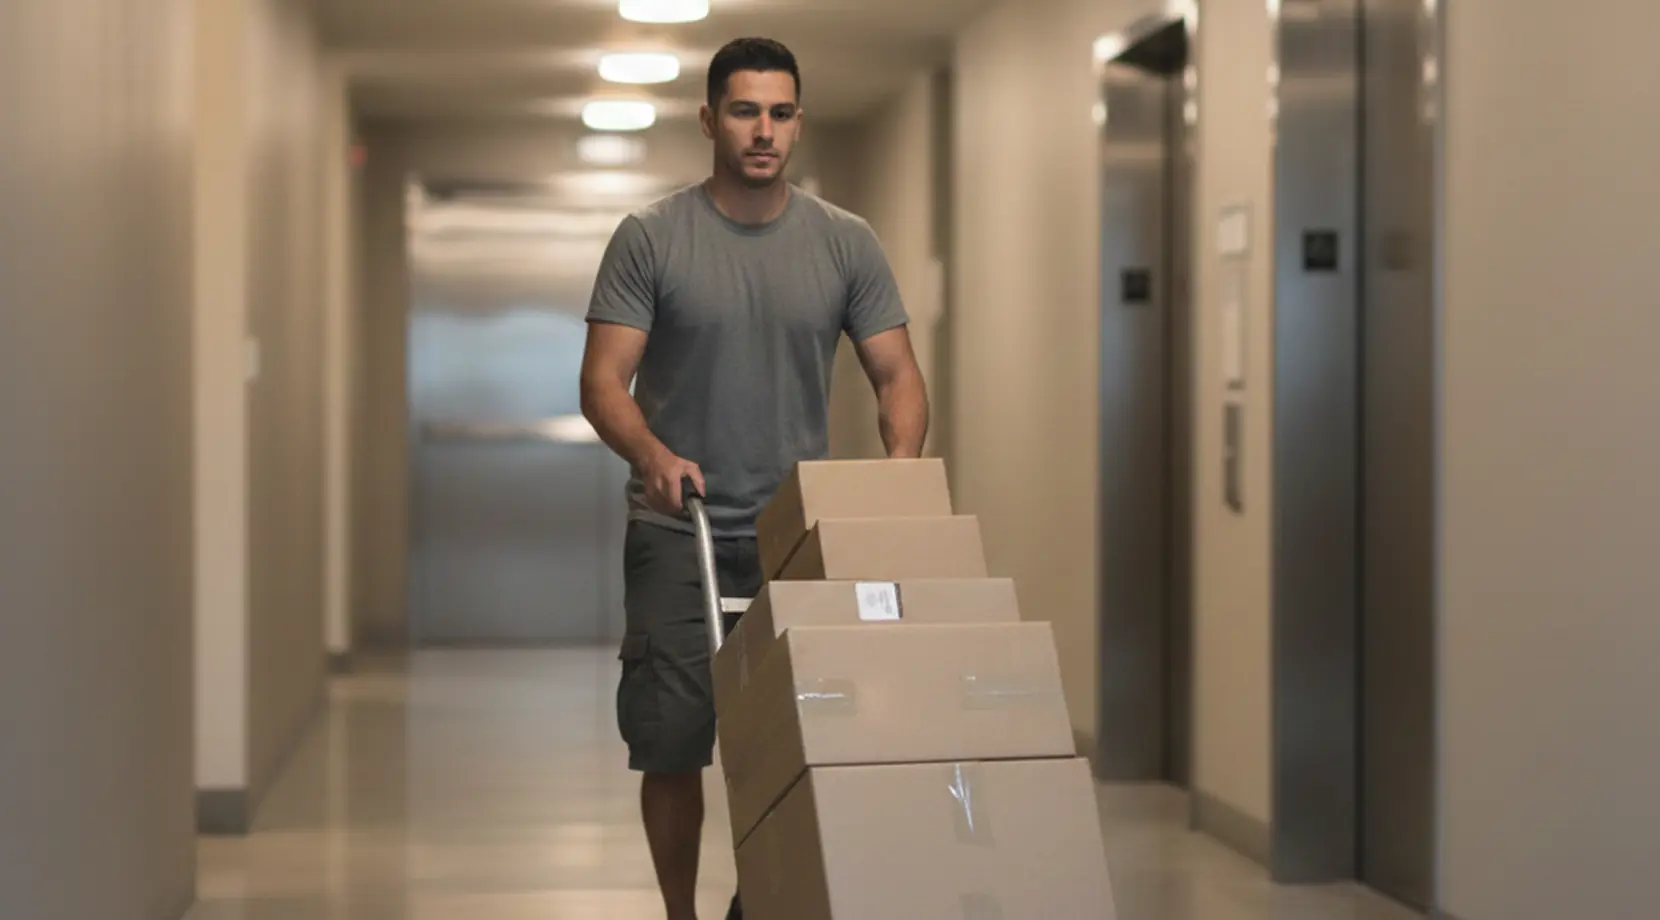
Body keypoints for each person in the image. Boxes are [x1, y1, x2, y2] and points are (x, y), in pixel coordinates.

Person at [578, 35, 929, 920]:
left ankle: (765, 899)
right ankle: (681, 915)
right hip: (678, 531)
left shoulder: (845, 244)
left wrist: (894, 481)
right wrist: (654, 458)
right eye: (743, 111)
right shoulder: (652, 238)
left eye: (779, 113)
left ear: (798, 122)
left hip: (795, 535)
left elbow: (898, 376)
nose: (762, 131)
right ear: (709, 119)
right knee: (672, 742)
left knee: (804, 735)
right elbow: (601, 383)